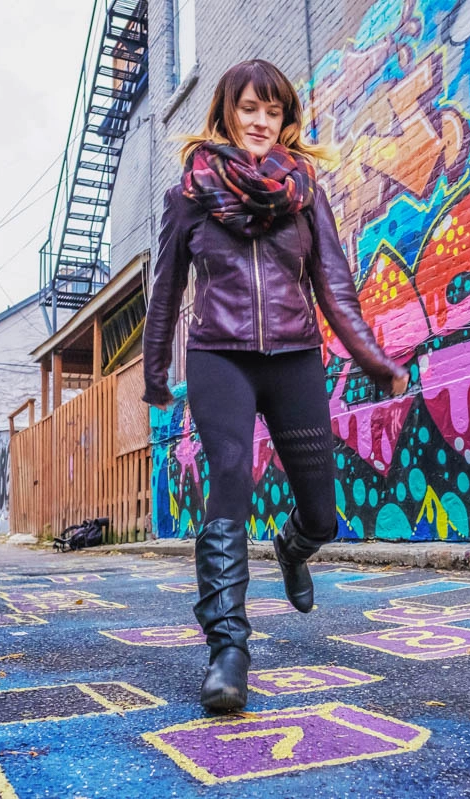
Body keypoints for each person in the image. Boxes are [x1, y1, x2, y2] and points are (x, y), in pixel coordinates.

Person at [142, 59, 409, 713]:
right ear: (227, 115)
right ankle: (228, 649)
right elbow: (167, 291)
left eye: (273, 111)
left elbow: (335, 284)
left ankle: (294, 547)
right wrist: (154, 372)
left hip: (294, 356)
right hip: (218, 355)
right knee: (229, 474)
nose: (261, 122)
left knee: (323, 510)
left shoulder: (305, 192)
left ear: (287, 121)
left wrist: (372, 358)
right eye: (249, 109)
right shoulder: (189, 194)